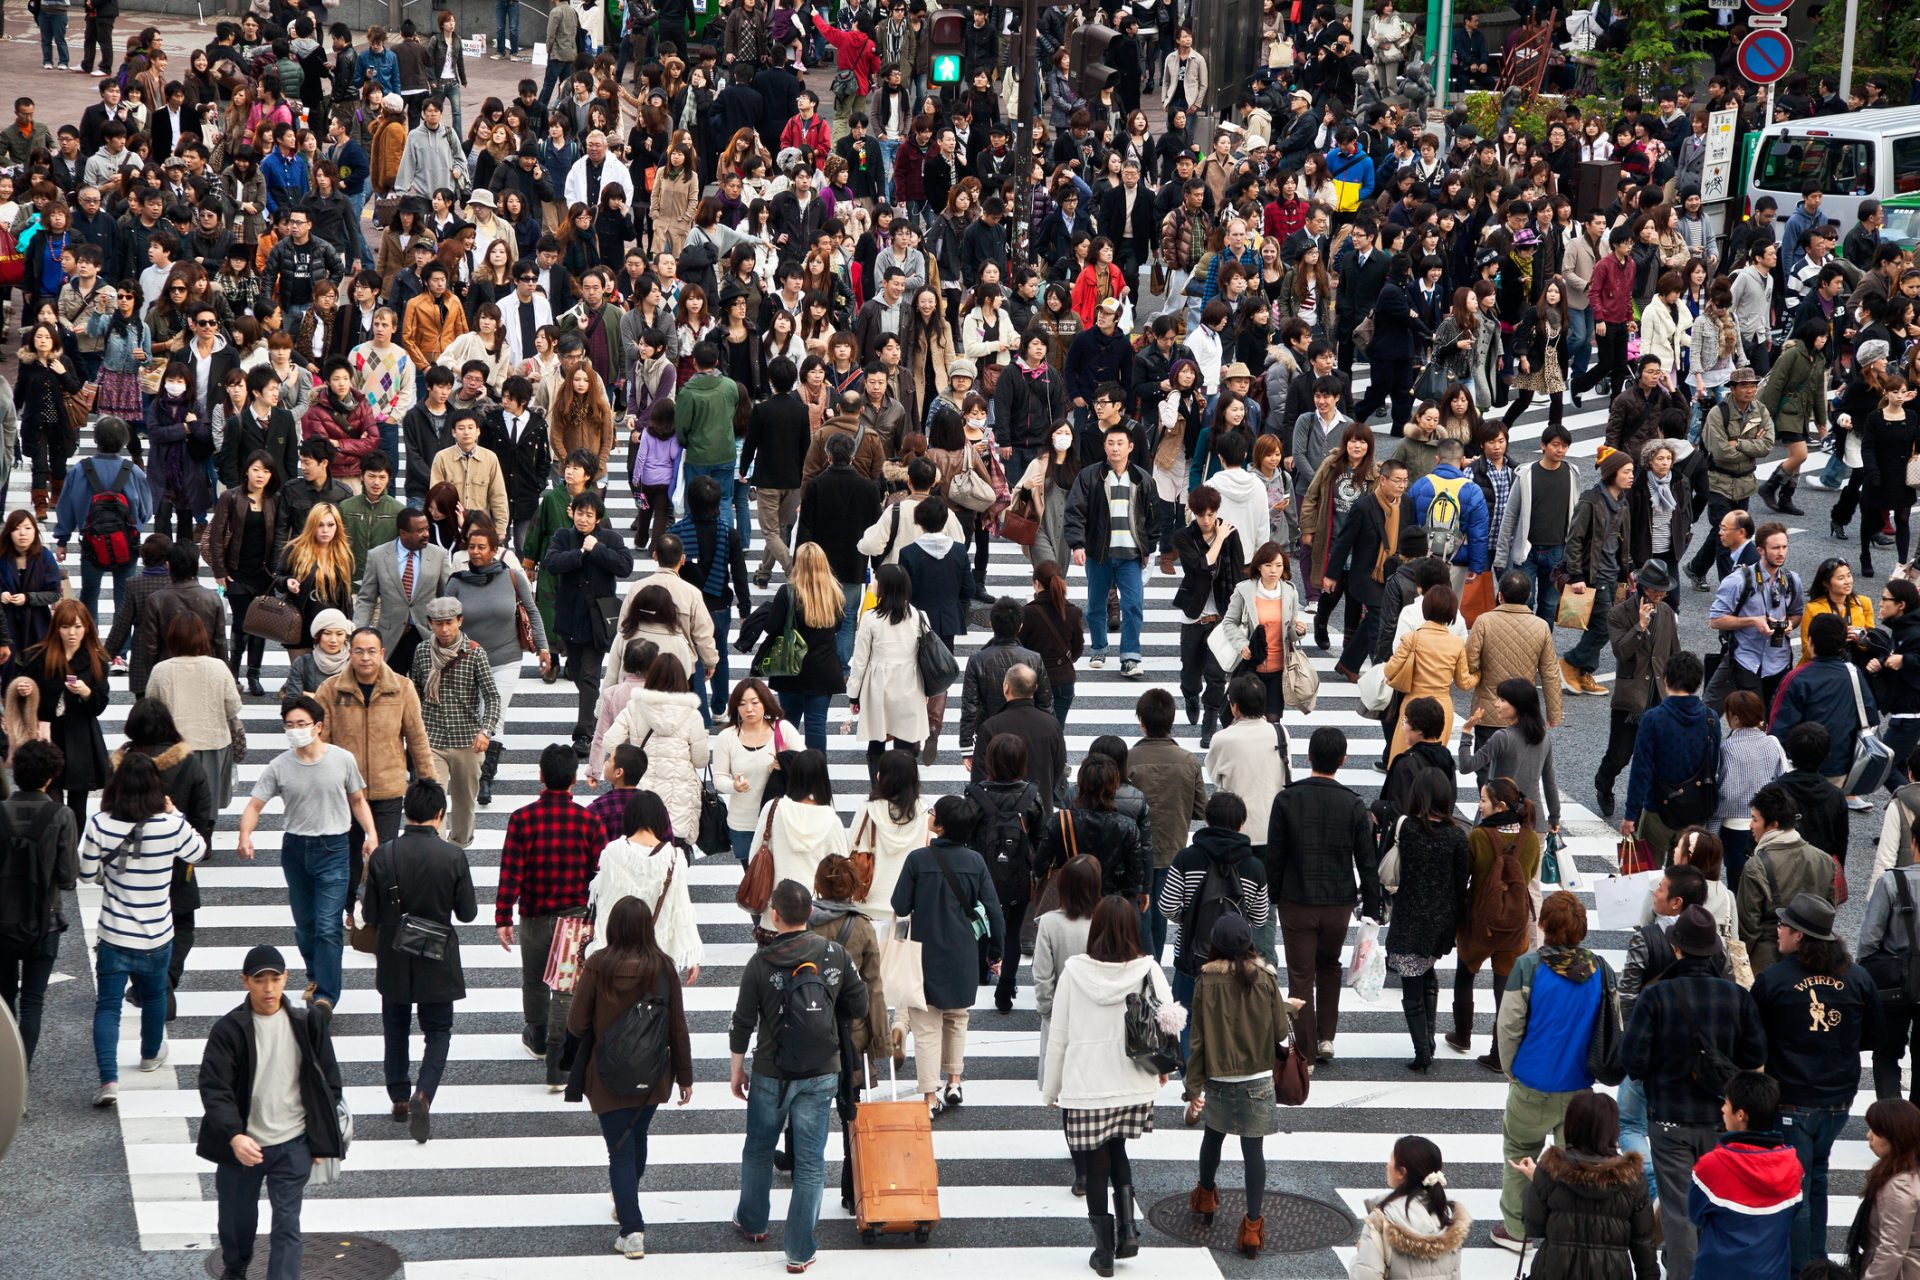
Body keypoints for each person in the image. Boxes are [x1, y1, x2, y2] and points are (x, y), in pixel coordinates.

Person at [1618, 904, 1768, 1280]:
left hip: (1669, 1119)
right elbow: (1754, 1056)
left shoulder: (1656, 998)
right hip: (1723, 1119)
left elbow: (1633, 1061)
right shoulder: (1737, 998)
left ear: (1677, 949)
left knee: (1679, 1212)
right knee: (1720, 1206)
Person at [730, 878, 870, 1275]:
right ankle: (799, 1250)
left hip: (772, 1072)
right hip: (822, 1069)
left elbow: (742, 1022)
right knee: (810, 1162)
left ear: (774, 915)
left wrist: (737, 1067)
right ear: (810, 913)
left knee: (758, 1147)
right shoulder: (835, 955)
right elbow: (858, 1005)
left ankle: (754, 1222)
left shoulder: (761, 962)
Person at [1041, 894, 1177, 1276]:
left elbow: (1060, 1035)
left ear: (1096, 928)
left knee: (1096, 1161)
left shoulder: (1073, 973)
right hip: (1131, 1080)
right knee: (1118, 1150)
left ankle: (1103, 1252)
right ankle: (1128, 1230)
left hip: (1086, 1083)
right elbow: (1169, 1023)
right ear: (1132, 929)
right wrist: (1162, 1069)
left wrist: (1052, 1089)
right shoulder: (1147, 969)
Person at [196, 945, 345, 1280]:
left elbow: (329, 1083)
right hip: (243, 1147)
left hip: (293, 1144)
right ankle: (235, 1268)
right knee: (236, 1223)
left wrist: (319, 1140)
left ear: (285, 979)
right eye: (260, 980)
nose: (268, 988)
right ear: (245, 981)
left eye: (275, 979)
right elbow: (214, 1088)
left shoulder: (308, 1023)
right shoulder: (229, 1030)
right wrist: (234, 1135)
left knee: (287, 1228)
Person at [1752, 891, 1881, 1271]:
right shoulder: (1856, 978)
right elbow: (1875, 1037)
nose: (1778, 930)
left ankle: (1801, 1269)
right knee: (1818, 1177)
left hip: (1792, 1099)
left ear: (1800, 936)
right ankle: (1817, 1259)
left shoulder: (1774, 981)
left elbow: (1753, 1043)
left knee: (1797, 1189)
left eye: (1784, 925)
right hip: (1838, 1100)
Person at [565, 891, 695, 1261]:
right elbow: (677, 1028)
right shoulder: (664, 967)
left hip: (606, 1074)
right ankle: (627, 1203)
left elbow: (576, 1023)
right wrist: (685, 1076)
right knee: (635, 1138)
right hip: (653, 1074)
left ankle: (631, 1229)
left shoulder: (598, 965)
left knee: (619, 1150)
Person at [79, 751, 208, 1107]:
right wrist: (175, 813)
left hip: (114, 932)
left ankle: (108, 1080)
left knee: (108, 1006)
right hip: (156, 932)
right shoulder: (169, 824)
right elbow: (199, 851)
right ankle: (150, 1054)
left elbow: (86, 873)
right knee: (153, 995)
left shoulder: (101, 823)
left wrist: (111, 876)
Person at [236, 695, 380, 1012]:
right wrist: (245, 834)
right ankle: (316, 975)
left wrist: (371, 834)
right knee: (305, 926)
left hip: (334, 849)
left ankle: (326, 995)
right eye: (289, 725)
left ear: (318, 727)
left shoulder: (342, 759)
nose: (295, 731)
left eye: (301, 724)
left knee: (328, 926)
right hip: (296, 850)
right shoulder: (279, 766)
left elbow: (358, 800)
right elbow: (255, 804)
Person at [1488, 891, 1614, 1250]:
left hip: (1532, 1080)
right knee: (1576, 1162)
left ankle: (1517, 1229)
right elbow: (1612, 1022)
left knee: (1520, 1150)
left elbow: (1509, 1025)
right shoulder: (1600, 969)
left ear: (1544, 925)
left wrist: (1512, 1070)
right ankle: (1571, 1227)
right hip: (1579, 1085)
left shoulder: (1528, 967)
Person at [360, 777, 477, 1145]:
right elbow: (468, 912)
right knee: (438, 1030)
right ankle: (423, 1094)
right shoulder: (453, 857)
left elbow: (372, 914)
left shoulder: (384, 855)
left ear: (407, 812)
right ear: (440, 814)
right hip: (436, 956)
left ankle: (397, 1097)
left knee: (395, 1027)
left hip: (394, 955)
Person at [1181, 910, 1298, 1260]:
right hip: (1257, 1079)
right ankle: (1251, 1227)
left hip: (1218, 1077)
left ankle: (1205, 1196)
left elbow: (1198, 1039)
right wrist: (1288, 1008)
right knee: (1253, 1153)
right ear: (1250, 944)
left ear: (1214, 945)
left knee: (1212, 1138)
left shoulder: (1206, 982)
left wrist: (1193, 1088)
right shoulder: (1264, 978)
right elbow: (1280, 1033)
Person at [1266, 726, 1379, 1063]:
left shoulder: (1286, 799)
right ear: (1343, 760)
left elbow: (1275, 854)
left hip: (1296, 900)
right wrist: (1372, 904)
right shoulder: (1354, 804)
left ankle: (1305, 1051)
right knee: (1329, 966)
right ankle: (1327, 1037)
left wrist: (1270, 896)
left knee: (1301, 975)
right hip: (1338, 902)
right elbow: (1366, 862)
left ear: (1308, 757)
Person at [497, 743, 605, 1086]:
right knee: (565, 987)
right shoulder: (589, 821)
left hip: (533, 915)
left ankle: (538, 1035)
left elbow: (510, 872)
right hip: (574, 915)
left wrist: (503, 917)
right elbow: (598, 874)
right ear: (574, 779)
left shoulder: (522, 819)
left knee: (533, 979)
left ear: (541, 776)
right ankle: (558, 1062)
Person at [891, 794, 1004, 1115]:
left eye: (933, 812)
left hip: (925, 955)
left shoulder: (917, 860)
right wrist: (995, 951)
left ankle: (929, 1097)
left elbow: (900, 907)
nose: (929, 814)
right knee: (957, 1018)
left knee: (926, 1026)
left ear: (939, 825)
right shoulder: (976, 862)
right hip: (963, 955)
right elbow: (994, 912)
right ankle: (955, 1081)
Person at [1510, 1091, 1657, 1280]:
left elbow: (1533, 1227)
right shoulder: (1632, 1179)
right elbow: (1643, 1241)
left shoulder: (1550, 1171)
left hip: (1555, 1270)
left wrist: (1536, 1180)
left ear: (1571, 1125)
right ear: (1613, 1129)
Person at [1384, 770, 1471, 1072]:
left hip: (1409, 916)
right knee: (1427, 971)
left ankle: (1422, 1050)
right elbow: (1462, 883)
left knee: (1410, 982)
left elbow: (1387, 866)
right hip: (1441, 920)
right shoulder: (1458, 836)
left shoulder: (1406, 828)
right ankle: (1429, 1039)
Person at [0, 740, 79, 1066]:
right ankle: (19, 1083)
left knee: (4, 1003)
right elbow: (67, 877)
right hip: (44, 921)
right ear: (50, 777)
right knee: (33, 1002)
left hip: (1, 921)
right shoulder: (61, 815)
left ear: (15, 772)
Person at [1063, 422, 1158, 678]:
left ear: (1131, 447)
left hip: (1130, 555)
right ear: (1104, 446)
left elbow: (1154, 516)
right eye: (1110, 443)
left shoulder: (1142, 479)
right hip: (1098, 553)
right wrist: (1077, 544)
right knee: (1095, 606)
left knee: (1133, 605)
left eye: (1120, 443)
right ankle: (1099, 647)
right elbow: (1075, 511)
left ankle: (1130, 656)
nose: (1115, 448)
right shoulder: (1089, 476)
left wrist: (1149, 546)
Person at [1688, 1071, 1804, 1280]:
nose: (1722, 1108)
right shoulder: (1793, 1165)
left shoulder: (1711, 1165)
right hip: (1773, 1273)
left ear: (1740, 1115)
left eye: (1727, 1103)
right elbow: (1794, 1213)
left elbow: (1696, 1215)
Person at [543, 489, 634, 755]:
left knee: (589, 675)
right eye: (579, 513)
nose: (583, 519)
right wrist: (580, 554)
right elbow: (551, 562)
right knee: (578, 673)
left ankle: (584, 733)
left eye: (589, 515)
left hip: (597, 620)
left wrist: (597, 549)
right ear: (572, 513)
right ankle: (593, 713)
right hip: (570, 617)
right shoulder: (563, 536)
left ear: (598, 518)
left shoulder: (610, 538)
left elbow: (625, 566)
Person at [407, 597, 500, 848]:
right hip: (432, 738)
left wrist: (486, 730)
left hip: (467, 740)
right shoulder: (423, 652)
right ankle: (435, 850)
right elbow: (413, 688)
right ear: (430, 624)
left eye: (449, 622)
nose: (444, 629)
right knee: (432, 800)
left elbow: (492, 695)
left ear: (460, 621)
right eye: (438, 624)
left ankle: (458, 849)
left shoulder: (474, 653)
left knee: (465, 803)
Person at [585, 787, 703, 983]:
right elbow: (681, 909)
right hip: (657, 955)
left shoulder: (612, 852)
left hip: (615, 956)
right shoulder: (674, 858)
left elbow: (603, 905)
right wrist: (692, 957)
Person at [12, 598, 112, 829]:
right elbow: (22, 689)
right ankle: (55, 848)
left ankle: (71, 852)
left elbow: (99, 705)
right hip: (48, 736)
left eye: (77, 626)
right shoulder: (39, 657)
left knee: (78, 804)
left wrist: (86, 692)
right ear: (56, 628)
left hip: (81, 737)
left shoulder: (96, 661)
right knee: (52, 800)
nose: (72, 633)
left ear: (87, 627)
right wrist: (24, 689)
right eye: (66, 627)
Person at [1594, 560, 1679, 818]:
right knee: (1620, 755)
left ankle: (1647, 800)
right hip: (1630, 700)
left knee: (1656, 755)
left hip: (1659, 696)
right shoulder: (1619, 614)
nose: (1660, 595)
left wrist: (1677, 687)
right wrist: (1639, 627)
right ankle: (1603, 784)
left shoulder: (1666, 613)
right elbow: (1620, 650)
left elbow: (1674, 651)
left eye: (1663, 590)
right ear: (1642, 588)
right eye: (1655, 590)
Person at [1323, 457, 1414, 682]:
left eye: (1405, 481)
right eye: (1397, 480)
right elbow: (1344, 542)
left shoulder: (1407, 504)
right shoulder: (1363, 506)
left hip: (1394, 572)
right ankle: (1381, 673)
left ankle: (1348, 663)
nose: (1402, 485)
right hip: (1366, 574)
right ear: (1382, 480)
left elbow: (1409, 537)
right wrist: (1331, 574)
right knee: (1380, 619)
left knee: (1375, 617)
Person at [1622, 651, 1716, 864]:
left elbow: (1641, 769)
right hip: (1695, 811)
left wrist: (1631, 814)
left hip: (1658, 809)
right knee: (1684, 878)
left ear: (1666, 679)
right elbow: (1713, 764)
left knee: (1648, 876)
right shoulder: (1711, 718)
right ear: (1698, 682)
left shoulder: (1654, 718)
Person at [1558, 449, 1639, 697]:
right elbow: (1574, 540)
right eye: (1626, 472)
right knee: (1604, 627)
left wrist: (1629, 570)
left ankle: (1583, 673)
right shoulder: (1591, 501)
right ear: (1612, 473)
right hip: (1595, 575)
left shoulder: (1622, 502)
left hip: (1613, 574)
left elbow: (1622, 542)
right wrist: (1576, 576)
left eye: (1632, 471)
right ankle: (1570, 662)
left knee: (1598, 625)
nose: (1631, 476)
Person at [1738, 782, 1843, 973]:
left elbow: (1748, 928)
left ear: (1773, 825)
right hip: (1812, 958)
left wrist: (1740, 968)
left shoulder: (1757, 866)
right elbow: (1828, 910)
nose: (1750, 825)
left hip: (1766, 961)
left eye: (1754, 819)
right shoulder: (1825, 860)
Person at [1708, 520, 1804, 713]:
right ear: (1760, 550)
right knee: (1738, 719)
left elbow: (1797, 613)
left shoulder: (1792, 580)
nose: (1781, 553)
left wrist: (1789, 625)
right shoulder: (1738, 581)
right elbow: (1715, 620)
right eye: (1775, 548)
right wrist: (1753, 621)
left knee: (1772, 725)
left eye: (1784, 547)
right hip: (1745, 660)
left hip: (1779, 662)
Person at [1351, 1136, 1471, 1280]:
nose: (1387, 1165)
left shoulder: (1382, 1221)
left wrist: (1357, 1260)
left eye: (1391, 1159)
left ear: (1402, 1172)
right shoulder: (1448, 1216)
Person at [848, 563, 932, 765]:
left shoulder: (870, 618)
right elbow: (926, 656)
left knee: (877, 741)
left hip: (878, 684)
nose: (874, 583)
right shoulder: (920, 617)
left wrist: (854, 694)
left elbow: (860, 661)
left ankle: (877, 787)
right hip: (910, 683)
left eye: (877, 580)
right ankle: (902, 788)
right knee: (905, 742)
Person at [353, 507, 453, 676]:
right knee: (387, 691)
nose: (426, 534)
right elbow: (366, 599)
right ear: (403, 533)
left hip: (425, 635)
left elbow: (446, 598)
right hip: (391, 636)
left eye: (427, 529)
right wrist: (359, 632)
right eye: (420, 530)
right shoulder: (377, 556)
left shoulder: (439, 555)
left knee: (426, 693)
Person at [1851, 1099, 1920, 1279]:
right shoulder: (1911, 1172)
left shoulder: (1899, 1186)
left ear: (1894, 1136)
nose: (1868, 1135)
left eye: (1875, 1130)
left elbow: (1891, 1249)